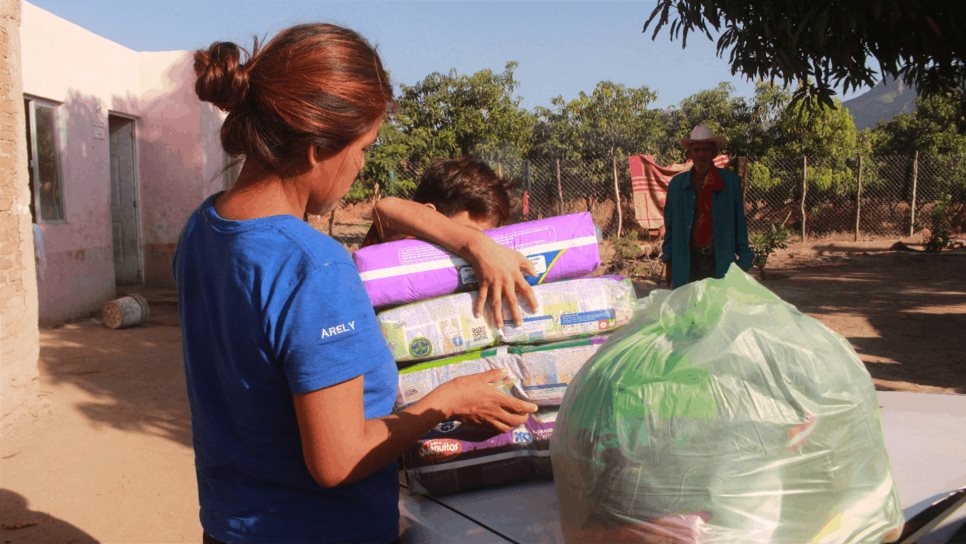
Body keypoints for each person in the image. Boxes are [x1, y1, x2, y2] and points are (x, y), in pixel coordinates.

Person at [175, 24, 538, 544]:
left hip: (231, 526)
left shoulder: (203, 228)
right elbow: (338, 459)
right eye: (365, 147)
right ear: (318, 148)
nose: (363, 164)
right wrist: (446, 404)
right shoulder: (314, 267)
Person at [661, 125, 753, 289]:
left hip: (719, 258)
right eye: (696, 150)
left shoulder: (729, 182)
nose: (701, 154)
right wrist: (668, 261)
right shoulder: (677, 185)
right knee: (689, 308)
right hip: (687, 259)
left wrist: (744, 259)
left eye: (705, 150)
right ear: (690, 154)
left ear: (714, 153)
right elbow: (670, 226)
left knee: (717, 308)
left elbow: (738, 220)